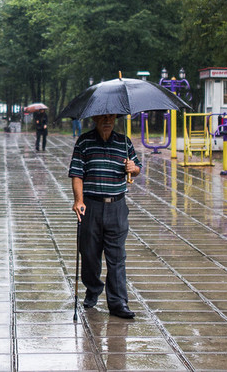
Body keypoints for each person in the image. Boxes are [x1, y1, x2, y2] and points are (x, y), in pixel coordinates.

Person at [68, 113, 141, 319]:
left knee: (117, 257)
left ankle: (118, 303)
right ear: (95, 119)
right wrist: (78, 200)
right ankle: (93, 289)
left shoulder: (124, 142)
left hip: (117, 207)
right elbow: (77, 174)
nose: (108, 121)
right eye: (103, 117)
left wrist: (132, 168)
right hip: (90, 206)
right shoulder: (84, 142)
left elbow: (137, 168)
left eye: (111, 117)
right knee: (89, 253)